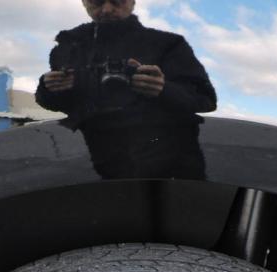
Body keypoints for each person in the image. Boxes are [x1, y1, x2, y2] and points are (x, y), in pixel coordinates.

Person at [35, 0, 216, 180]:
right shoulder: (68, 48)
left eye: (117, 1)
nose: (107, 9)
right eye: (96, 2)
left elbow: (205, 99)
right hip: (89, 166)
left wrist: (164, 89)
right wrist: (49, 88)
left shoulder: (169, 44)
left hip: (166, 167)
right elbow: (58, 104)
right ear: (84, 2)